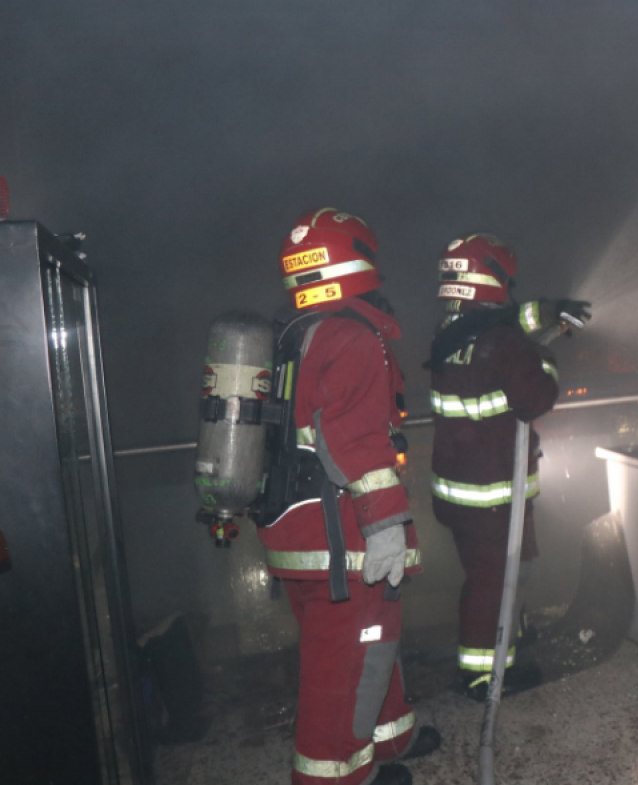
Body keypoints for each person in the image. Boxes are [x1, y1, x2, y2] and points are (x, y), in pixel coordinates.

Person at [256, 208, 439, 785]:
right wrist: (386, 526)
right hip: (346, 541)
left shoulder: (293, 333)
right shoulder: (353, 336)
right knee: (341, 669)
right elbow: (354, 442)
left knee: (368, 649)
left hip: (298, 534)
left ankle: (391, 740)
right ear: (359, 259)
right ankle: (331, 779)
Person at [426, 233, 590, 701]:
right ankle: (485, 674)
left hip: (457, 490)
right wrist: (549, 360)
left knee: (491, 575)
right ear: (492, 277)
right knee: (491, 583)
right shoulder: (506, 344)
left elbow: (507, 317)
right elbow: (536, 398)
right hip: (493, 492)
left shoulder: (451, 331)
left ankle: (507, 637)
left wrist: (553, 309)